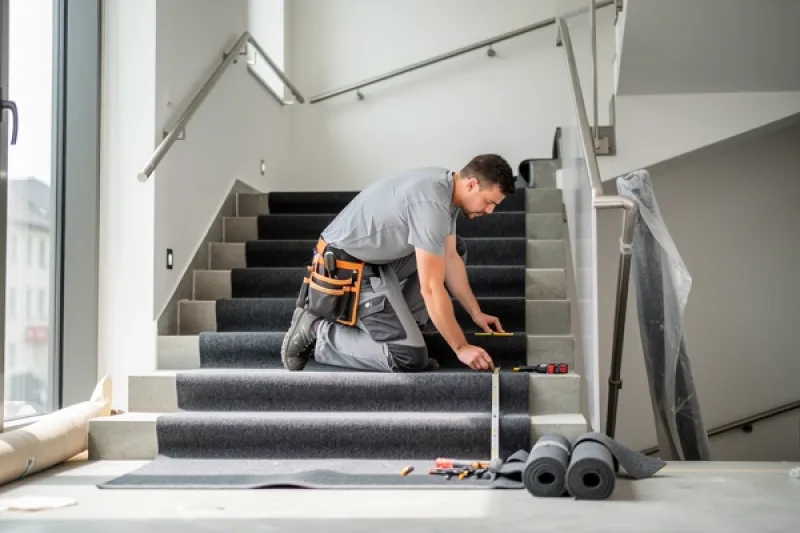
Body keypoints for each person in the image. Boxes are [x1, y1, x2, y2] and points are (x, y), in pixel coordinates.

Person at [280, 153, 517, 373]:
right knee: (408, 357)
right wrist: (461, 347)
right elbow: (431, 288)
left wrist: (476, 313)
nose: (490, 211)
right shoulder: (432, 203)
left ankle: (409, 328)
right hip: (347, 269)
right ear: (472, 184)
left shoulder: (445, 187)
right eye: (489, 202)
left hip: (376, 260)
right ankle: (316, 332)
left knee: (453, 249)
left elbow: (450, 258)